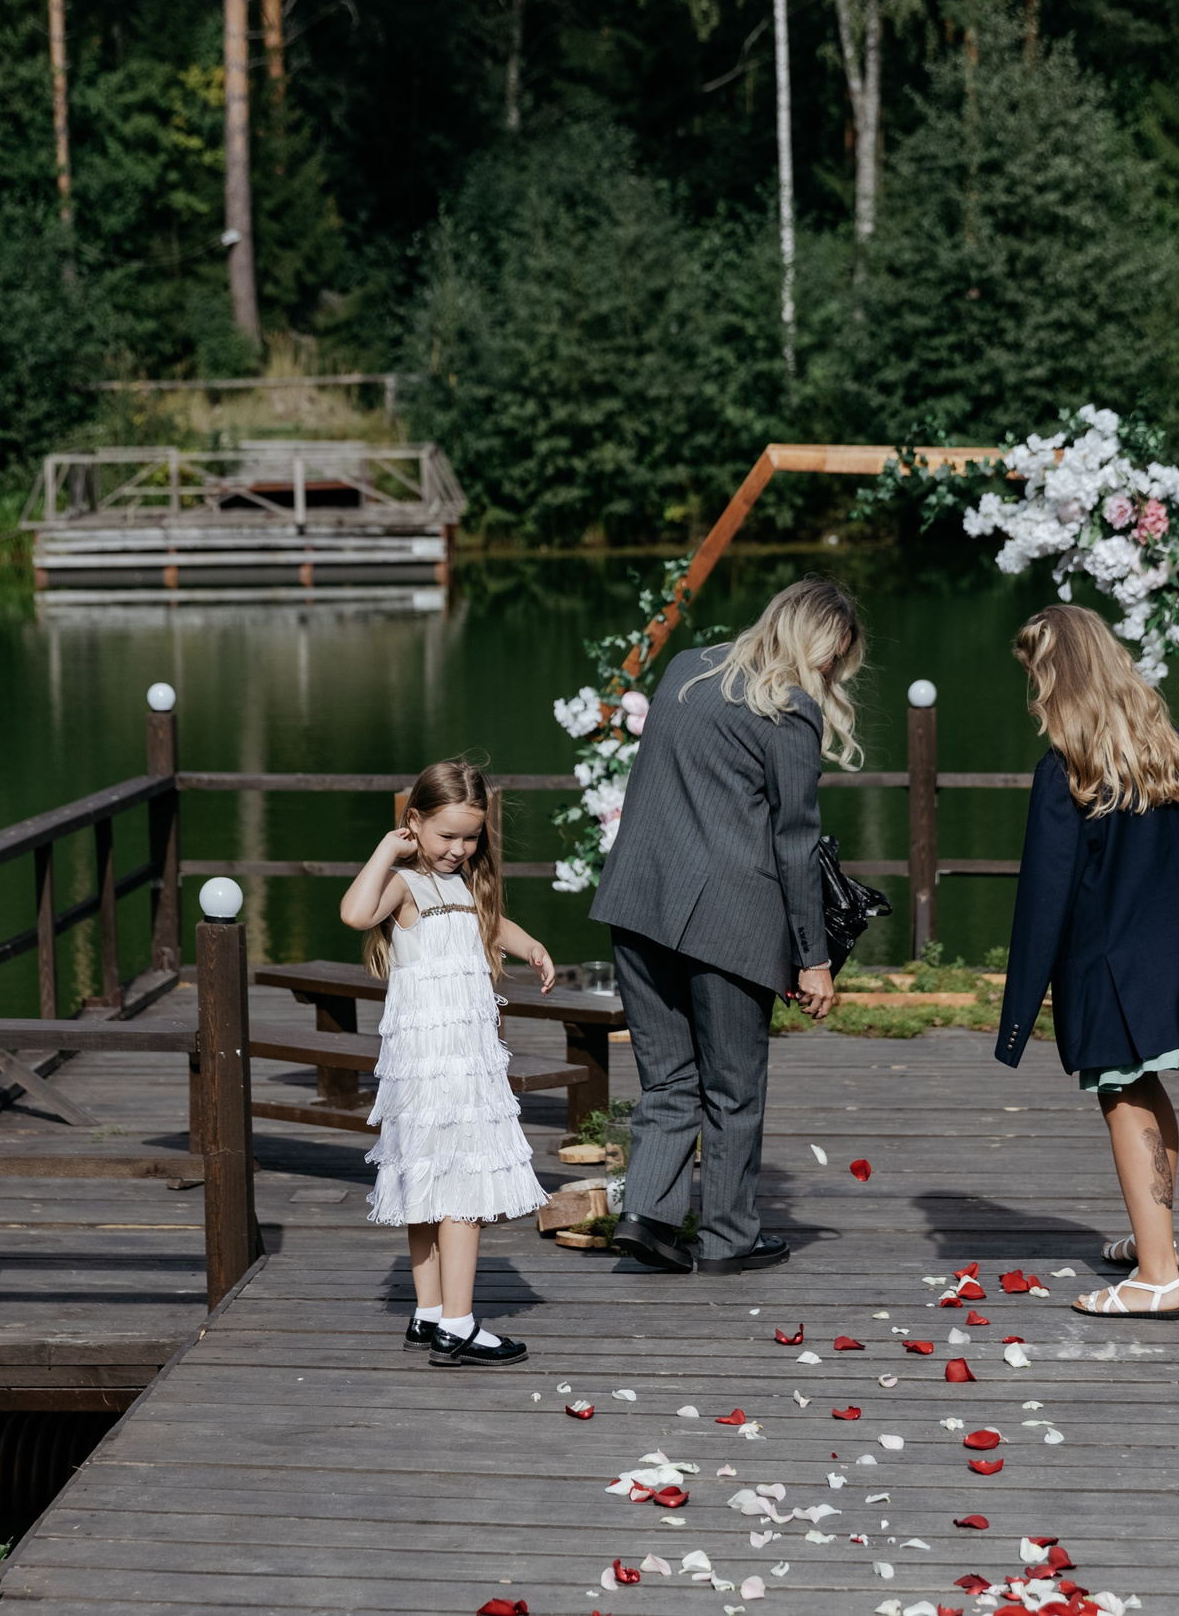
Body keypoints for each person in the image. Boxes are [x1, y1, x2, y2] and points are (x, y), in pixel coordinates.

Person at [590, 575, 864, 1275]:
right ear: (819, 645)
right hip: (730, 921)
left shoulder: (687, 668)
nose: (834, 673)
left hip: (638, 899)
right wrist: (814, 956)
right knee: (734, 1086)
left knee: (667, 1078)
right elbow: (796, 841)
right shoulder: (790, 709)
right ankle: (727, 1236)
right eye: (836, 658)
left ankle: (648, 1215)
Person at [992, 603, 1179, 1320]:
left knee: (1122, 1095)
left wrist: (1017, 1019)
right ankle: (1152, 1240)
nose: (1036, 692)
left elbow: (1044, 900)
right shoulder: (1178, 752)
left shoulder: (1069, 771)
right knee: (1149, 1089)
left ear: (1061, 677)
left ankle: (1159, 1276)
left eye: (1039, 676)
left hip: (1107, 968)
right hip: (1173, 964)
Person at [339, 759, 555, 1366]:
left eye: (470, 837)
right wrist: (388, 848)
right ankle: (459, 1325)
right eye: (446, 836)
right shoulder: (405, 884)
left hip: (465, 1057)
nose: (458, 849)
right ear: (415, 824)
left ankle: (428, 1313)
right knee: (458, 1188)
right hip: (434, 1065)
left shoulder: (461, 885)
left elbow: (487, 924)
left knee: (430, 1183)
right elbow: (356, 914)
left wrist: (530, 944)